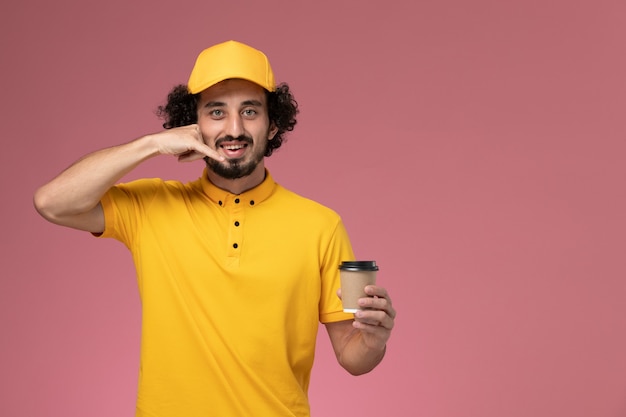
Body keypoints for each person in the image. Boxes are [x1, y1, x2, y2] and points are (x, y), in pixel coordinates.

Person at [34, 40, 396, 417]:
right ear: (194, 125)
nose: (234, 129)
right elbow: (52, 202)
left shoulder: (320, 225)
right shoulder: (151, 205)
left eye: (250, 111)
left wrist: (373, 340)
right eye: (217, 112)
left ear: (273, 125)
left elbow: (353, 358)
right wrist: (151, 144)